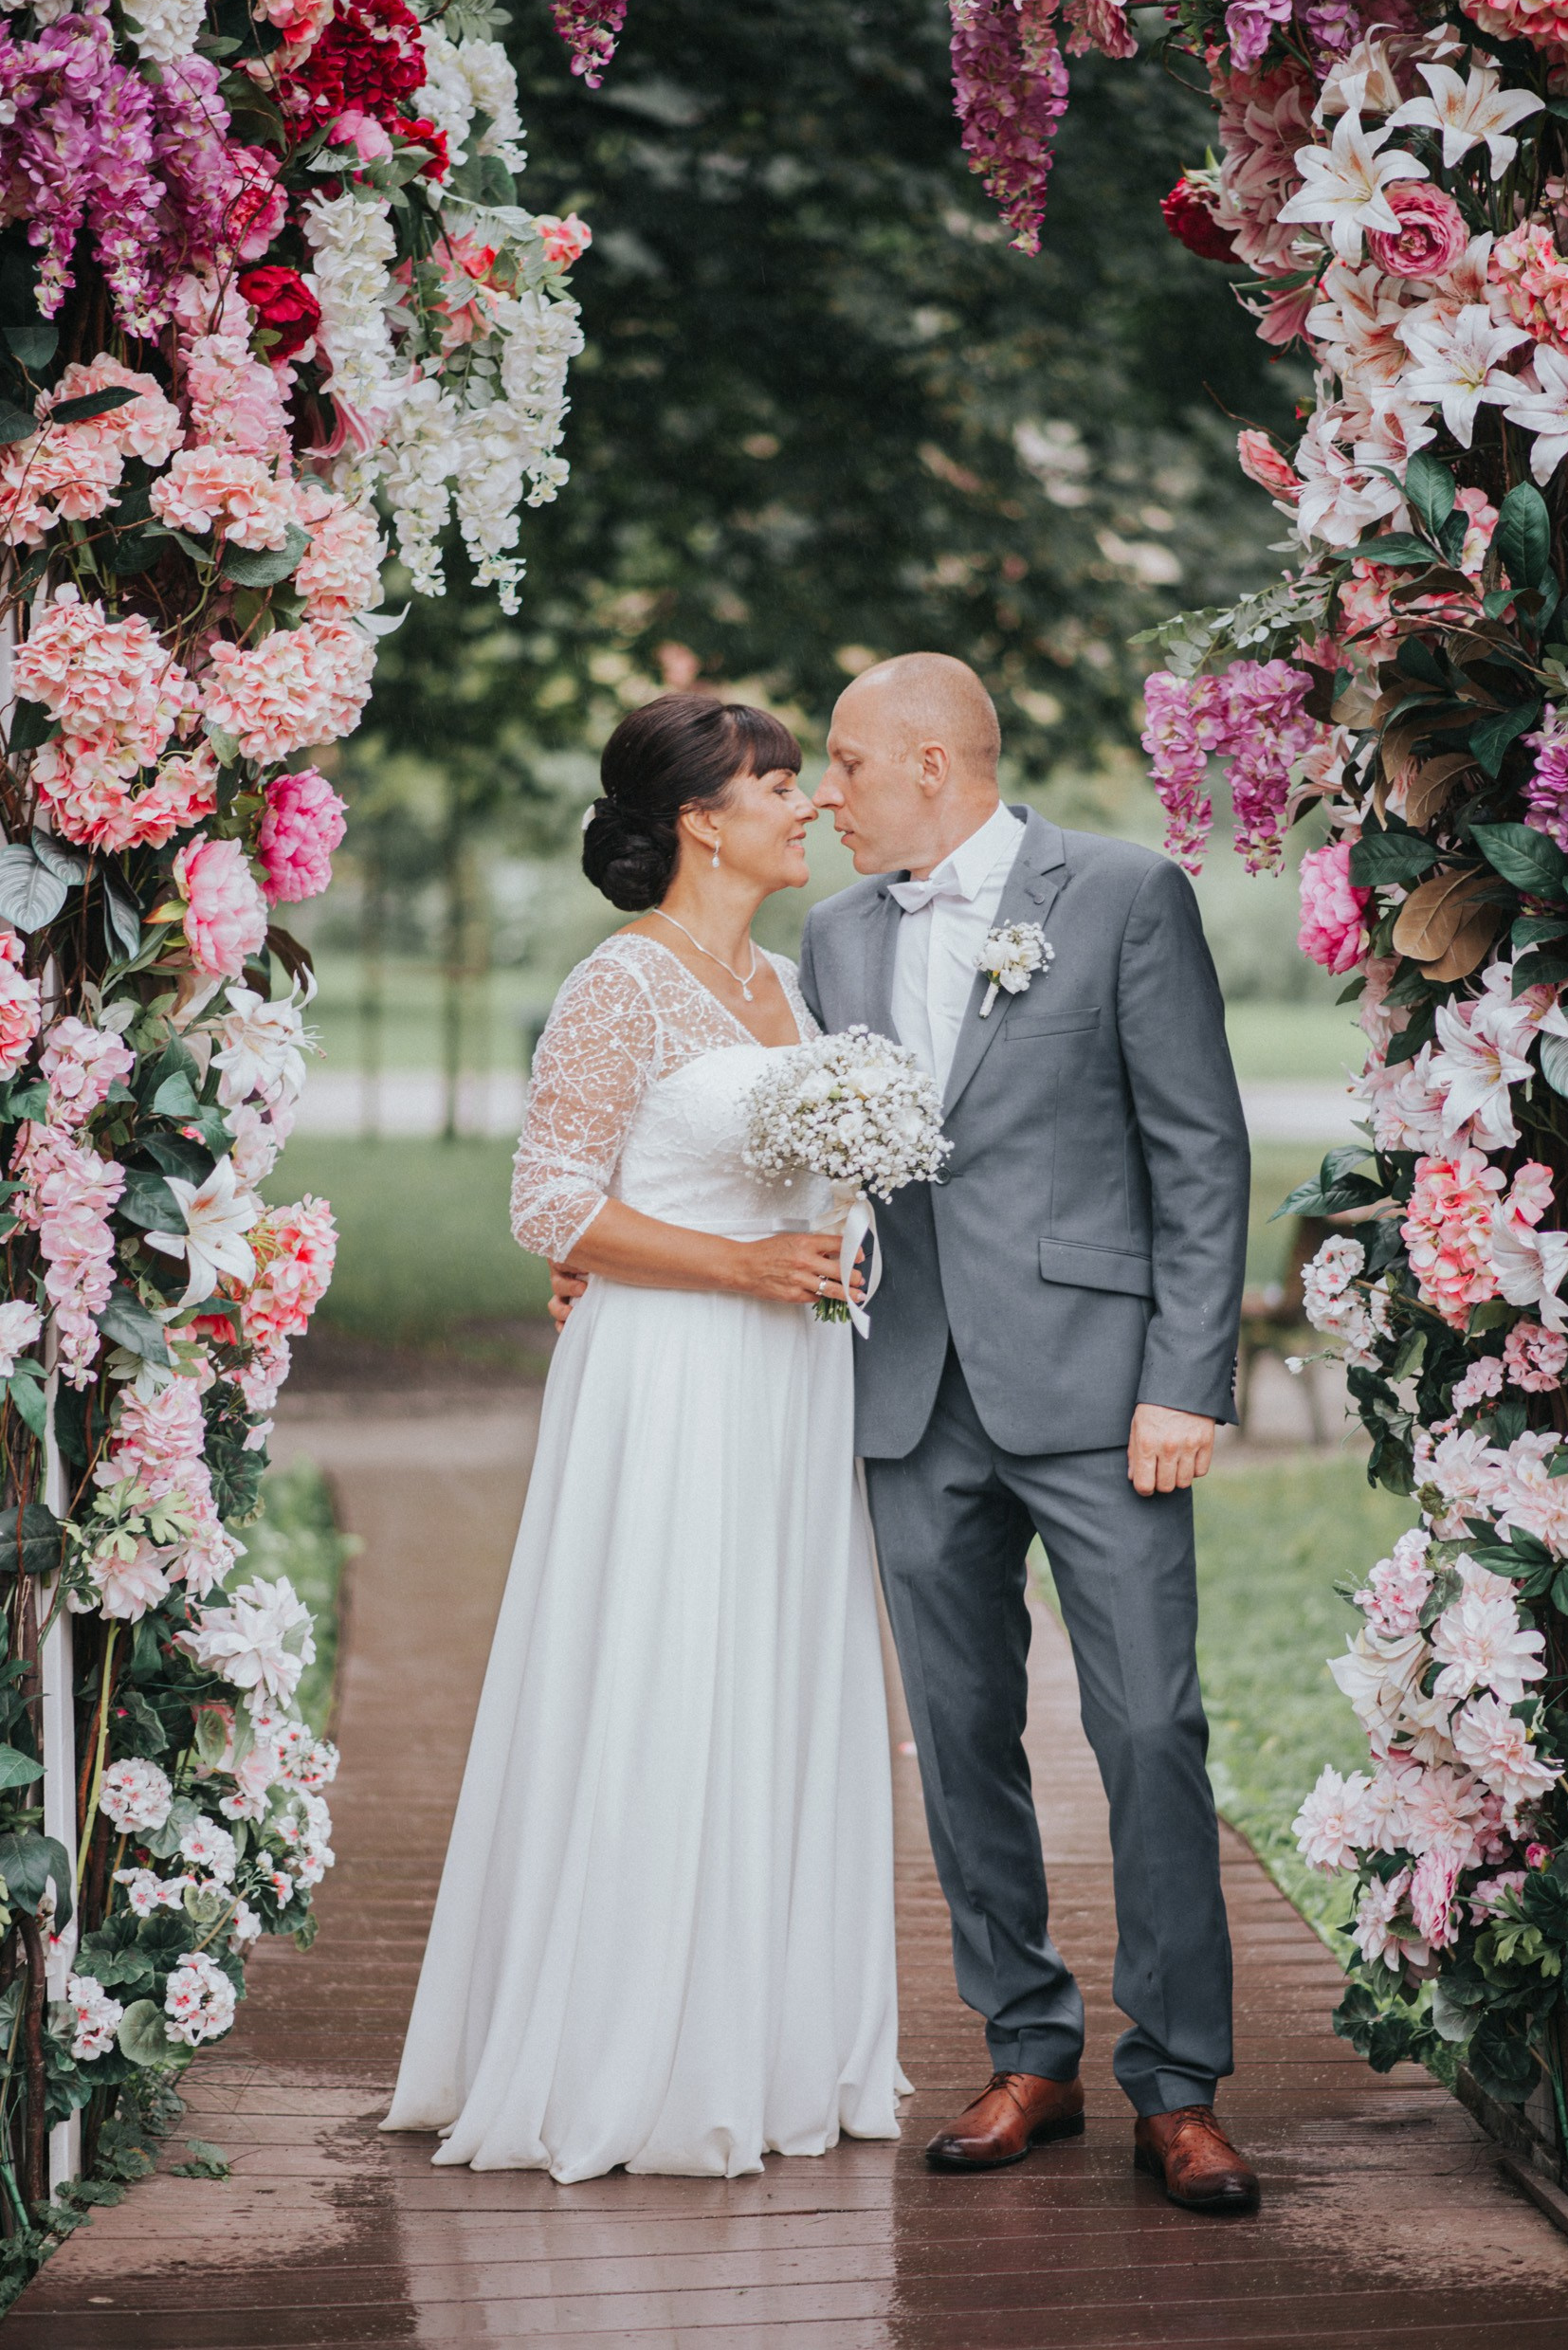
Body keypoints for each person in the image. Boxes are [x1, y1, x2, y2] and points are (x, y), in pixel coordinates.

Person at [381, 690, 903, 2182]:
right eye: (782, 784)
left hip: (789, 1385)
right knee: (666, 1663)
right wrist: (732, 1266)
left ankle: (769, 2032)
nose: (806, 806)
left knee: (769, 1669)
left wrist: (827, 1238)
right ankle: (624, 2050)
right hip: (671, 1379)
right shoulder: (622, 982)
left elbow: (791, 1178)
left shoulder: (789, 984)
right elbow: (548, 1203)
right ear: (702, 819)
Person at [798, 651, 1259, 2213]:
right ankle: (1027, 2051)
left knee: (1146, 1730)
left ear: (933, 763)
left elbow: (1196, 1148)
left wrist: (1185, 1380)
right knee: (959, 1742)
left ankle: (1178, 2082)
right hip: (911, 1398)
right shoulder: (832, 934)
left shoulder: (1122, 892)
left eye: (847, 765)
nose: (822, 795)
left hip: (1099, 1392)